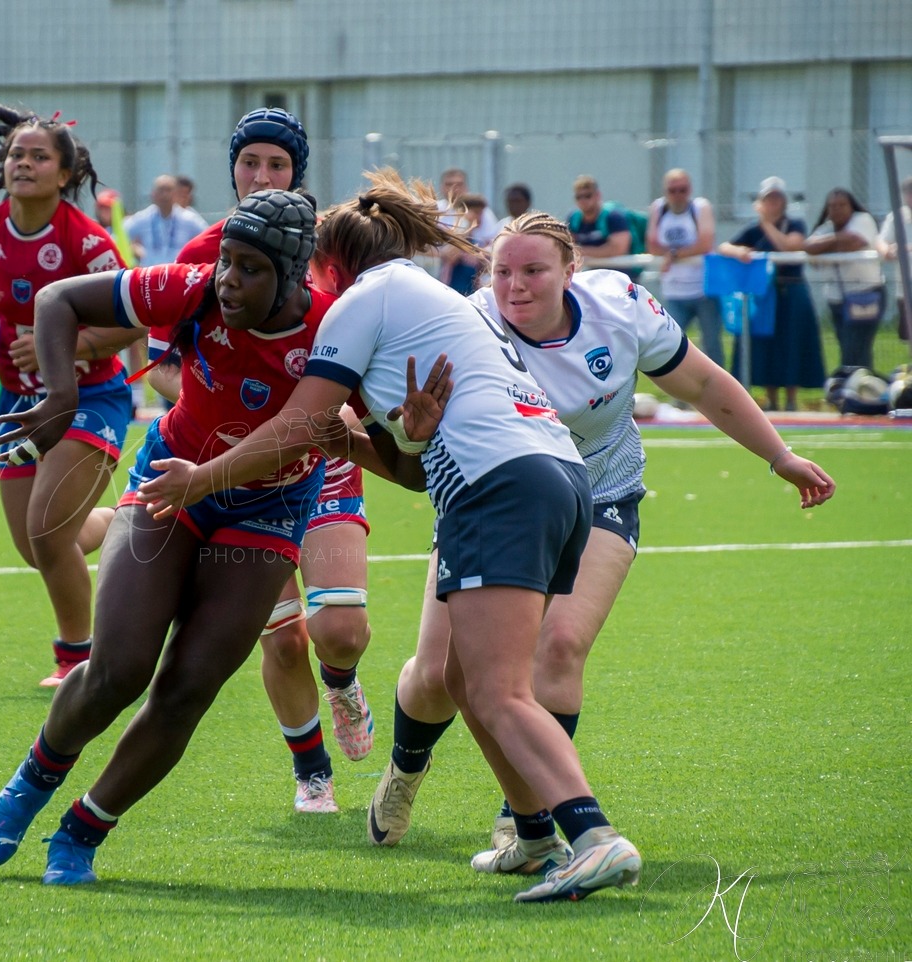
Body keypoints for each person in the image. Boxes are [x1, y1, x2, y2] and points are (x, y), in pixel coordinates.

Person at [138, 169, 648, 903]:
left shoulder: (361, 301)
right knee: (468, 682)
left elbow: (295, 426)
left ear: (328, 264)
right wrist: (391, 438)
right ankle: (535, 836)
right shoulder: (429, 299)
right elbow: (406, 469)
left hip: (497, 485)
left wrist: (203, 477)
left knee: (502, 690)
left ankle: (595, 837)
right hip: (555, 477)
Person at [374, 211, 835, 878]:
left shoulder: (620, 308)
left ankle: (525, 817)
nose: (517, 285)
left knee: (558, 648)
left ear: (570, 271)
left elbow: (702, 383)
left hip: (600, 499)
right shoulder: (466, 325)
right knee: (438, 677)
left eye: (534, 270)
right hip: (489, 506)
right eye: (503, 271)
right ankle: (405, 769)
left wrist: (779, 455)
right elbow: (406, 438)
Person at [0, 189, 358, 885]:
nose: (228, 281)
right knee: (119, 668)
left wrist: (408, 429)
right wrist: (61, 395)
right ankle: (33, 780)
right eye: (226, 264)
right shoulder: (193, 289)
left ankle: (83, 831)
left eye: (249, 270)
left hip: (265, 507)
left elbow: (295, 439)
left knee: (189, 687)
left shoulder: (333, 332)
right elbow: (59, 300)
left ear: (295, 277)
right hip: (168, 480)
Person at [176, 107, 375, 814]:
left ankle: (344, 682)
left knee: (340, 632)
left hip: (321, 456)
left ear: (299, 173)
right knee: (283, 642)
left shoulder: (332, 251)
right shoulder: (205, 250)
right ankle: (310, 771)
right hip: (238, 475)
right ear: (232, 166)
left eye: (277, 165)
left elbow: (364, 354)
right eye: (251, 162)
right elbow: (163, 367)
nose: (261, 175)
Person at [0, 101, 137, 687]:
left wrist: (71, 350)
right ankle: (131, 522)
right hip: (17, 404)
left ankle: (79, 658)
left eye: (38, 156)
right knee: (40, 545)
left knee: (49, 532)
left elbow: (136, 320)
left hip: (90, 399)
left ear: (65, 174)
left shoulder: (88, 242)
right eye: (16, 154)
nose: (22, 163)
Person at [718, 176, 825, 411]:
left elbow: (790, 246)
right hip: (765, 297)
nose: (773, 203)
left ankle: (790, 398)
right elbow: (724, 246)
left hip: (791, 293)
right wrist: (740, 252)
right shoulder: (752, 230)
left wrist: (767, 223)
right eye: (768, 198)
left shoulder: (794, 224)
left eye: (777, 198)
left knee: (792, 344)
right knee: (767, 346)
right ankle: (771, 397)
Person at [648, 169, 723, 368]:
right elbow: (652, 246)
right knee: (671, 345)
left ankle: (719, 397)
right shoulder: (659, 208)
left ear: (689, 190)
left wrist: (671, 255)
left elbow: (705, 243)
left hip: (704, 290)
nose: (678, 195)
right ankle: (681, 395)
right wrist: (682, 252)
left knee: (712, 345)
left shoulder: (699, 207)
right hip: (674, 291)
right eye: (673, 190)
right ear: (665, 191)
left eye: (683, 190)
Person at [806, 187, 884, 369]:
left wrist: (827, 245)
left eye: (842, 205)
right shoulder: (826, 228)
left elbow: (855, 242)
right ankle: (851, 387)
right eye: (832, 206)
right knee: (845, 346)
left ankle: (861, 388)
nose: (837, 210)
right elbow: (809, 246)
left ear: (851, 206)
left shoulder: (862, 220)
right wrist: (838, 240)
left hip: (865, 294)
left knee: (857, 348)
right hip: (837, 298)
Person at [124, 174, 207, 267]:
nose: (165, 195)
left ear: (176, 194)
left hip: (177, 274)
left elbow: (207, 239)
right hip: (150, 275)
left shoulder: (188, 219)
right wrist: (133, 251)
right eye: (161, 190)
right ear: (153, 194)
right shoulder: (143, 218)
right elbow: (118, 236)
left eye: (168, 190)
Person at [878, 176, 912, 339]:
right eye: (909, 192)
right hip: (905, 289)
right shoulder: (897, 216)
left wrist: (904, 248)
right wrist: (887, 251)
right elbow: (881, 241)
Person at [567, 175, 631, 261]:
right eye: (579, 197)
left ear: (598, 195)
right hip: (588, 270)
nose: (583, 200)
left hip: (617, 270)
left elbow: (618, 250)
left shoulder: (614, 216)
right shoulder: (573, 219)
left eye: (587, 196)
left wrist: (582, 251)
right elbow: (568, 248)